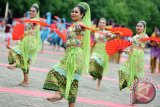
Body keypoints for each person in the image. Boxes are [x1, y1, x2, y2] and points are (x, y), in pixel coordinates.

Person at [43, 2, 91, 107]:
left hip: (76, 56)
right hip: (68, 54)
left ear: (82, 15)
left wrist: (80, 26)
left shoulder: (81, 25)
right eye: (72, 11)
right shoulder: (72, 25)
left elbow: (82, 27)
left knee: (72, 82)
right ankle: (59, 93)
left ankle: (59, 94)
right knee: (57, 72)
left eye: (76, 12)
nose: (73, 13)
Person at [7, 3, 41, 86]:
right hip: (24, 40)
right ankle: (26, 81)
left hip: (30, 43)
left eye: (33, 11)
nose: (31, 12)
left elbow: (33, 30)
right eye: (30, 11)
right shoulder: (29, 20)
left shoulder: (35, 21)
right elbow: (25, 32)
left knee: (18, 55)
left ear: (37, 13)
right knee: (24, 61)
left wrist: (32, 29)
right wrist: (20, 39)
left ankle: (16, 65)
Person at [118, 20, 148, 91]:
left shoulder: (144, 35)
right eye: (137, 26)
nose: (138, 27)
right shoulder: (133, 37)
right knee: (122, 69)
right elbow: (131, 49)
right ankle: (126, 82)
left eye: (141, 26)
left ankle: (137, 91)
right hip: (131, 56)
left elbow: (144, 45)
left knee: (137, 76)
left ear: (144, 28)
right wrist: (125, 51)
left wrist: (141, 41)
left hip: (139, 57)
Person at [89, 18, 114, 89]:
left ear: (105, 25)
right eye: (100, 22)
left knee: (101, 68)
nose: (101, 24)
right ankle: (94, 74)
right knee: (92, 60)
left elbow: (113, 37)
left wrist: (115, 35)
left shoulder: (108, 32)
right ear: (98, 24)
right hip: (96, 49)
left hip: (104, 51)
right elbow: (96, 39)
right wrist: (103, 36)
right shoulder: (96, 32)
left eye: (103, 23)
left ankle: (98, 85)